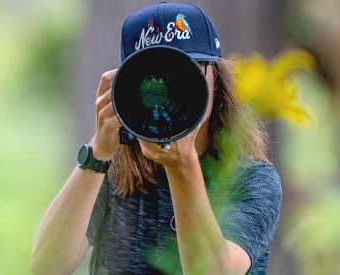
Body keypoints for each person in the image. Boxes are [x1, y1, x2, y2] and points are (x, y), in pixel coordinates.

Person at [30, 2, 282, 275]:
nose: (169, 90)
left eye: (185, 73)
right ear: (126, 87)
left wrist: (181, 165)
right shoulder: (114, 169)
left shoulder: (250, 179)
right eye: (153, 79)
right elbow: (47, 266)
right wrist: (98, 151)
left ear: (216, 78)